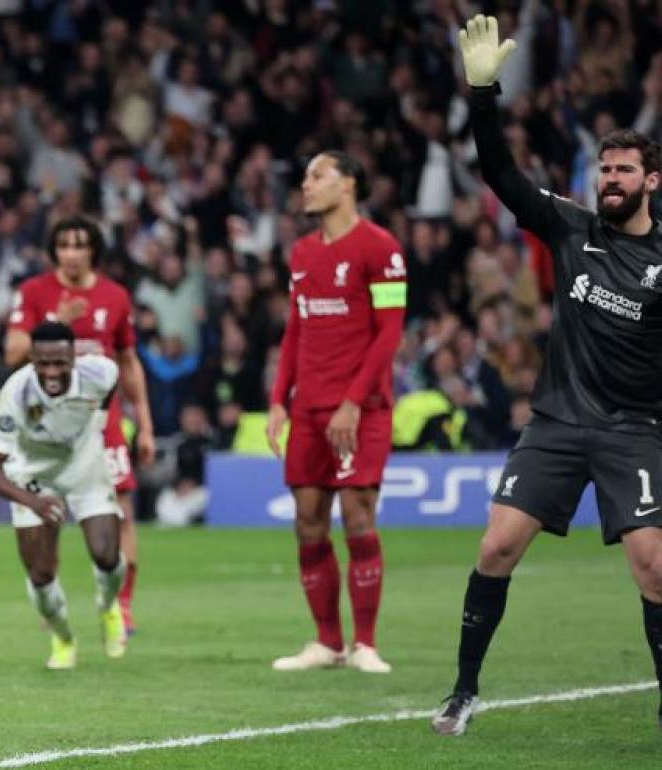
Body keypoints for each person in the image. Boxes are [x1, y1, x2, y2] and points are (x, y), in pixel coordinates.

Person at [433, 16, 662, 735]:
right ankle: (464, 689)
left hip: (635, 430)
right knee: (496, 547)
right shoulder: (573, 228)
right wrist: (481, 93)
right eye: (605, 169)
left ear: (651, 181)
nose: (610, 180)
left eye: (624, 170)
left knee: (654, 569)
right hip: (559, 421)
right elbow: (500, 171)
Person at [264, 149, 407, 674]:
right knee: (307, 519)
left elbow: (390, 332)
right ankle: (328, 642)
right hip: (310, 408)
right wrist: (280, 398)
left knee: (357, 513)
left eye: (317, 175)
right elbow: (296, 329)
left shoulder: (381, 248)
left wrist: (353, 402)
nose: (307, 185)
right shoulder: (301, 253)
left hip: (362, 409)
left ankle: (365, 643)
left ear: (348, 184)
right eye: (305, 176)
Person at [4, 215, 155, 634]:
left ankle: (120, 606)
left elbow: (128, 363)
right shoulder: (34, 292)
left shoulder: (116, 296)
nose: (71, 253)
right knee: (47, 519)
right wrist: (58, 319)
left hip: (101, 425)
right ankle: (50, 603)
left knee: (121, 514)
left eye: (80, 245)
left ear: (93, 250)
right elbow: (13, 352)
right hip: (46, 430)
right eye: (64, 245)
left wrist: (144, 424)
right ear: (54, 251)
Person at [0, 321, 128, 669]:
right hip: (33, 477)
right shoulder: (16, 393)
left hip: (84, 465)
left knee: (107, 555)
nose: (51, 371)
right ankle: (63, 638)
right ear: (31, 358)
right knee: (41, 574)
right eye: (43, 363)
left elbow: (111, 388)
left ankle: (108, 606)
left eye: (59, 363)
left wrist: (100, 422)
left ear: (73, 358)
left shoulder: (101, 372)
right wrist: (34, 502)